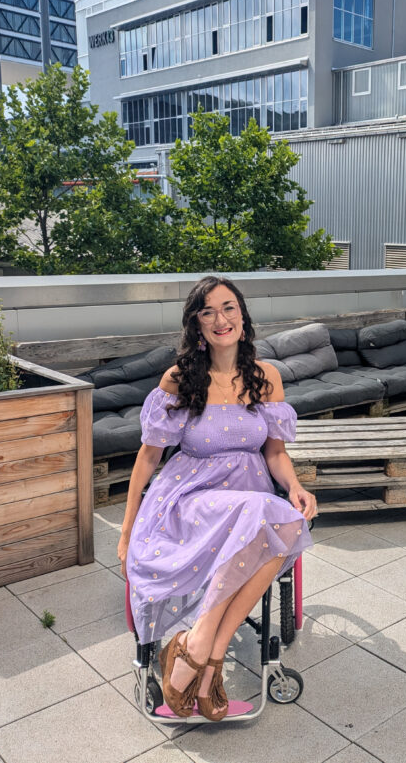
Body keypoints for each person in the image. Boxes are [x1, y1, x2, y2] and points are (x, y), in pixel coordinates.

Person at [117, 275, 316, 720]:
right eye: (208, 311)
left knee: (278, 519)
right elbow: (148, 459)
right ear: (197, 324)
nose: (220, 319)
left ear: (242, 317)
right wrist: (127, 529)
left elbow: (276, 454)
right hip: (191, 499)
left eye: (228, 308)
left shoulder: (266, 378)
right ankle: (204, 656)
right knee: (268, 516)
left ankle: (203, 653)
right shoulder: (180, 379)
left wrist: (296, 485)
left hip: (249, 498)